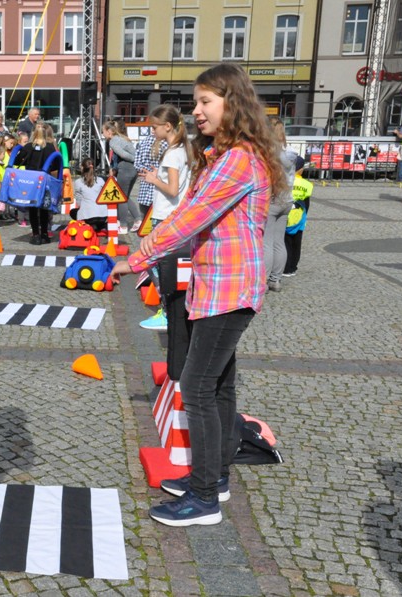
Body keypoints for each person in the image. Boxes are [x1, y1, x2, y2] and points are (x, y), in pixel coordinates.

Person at [111, 63, 285, 526]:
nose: (197, 111)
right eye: (196, 102)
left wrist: (138, 258)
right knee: (219, 384)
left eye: (206, 101)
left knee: (197, 386)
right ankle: (215, 477)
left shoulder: (240, 159)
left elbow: (191, 217)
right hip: (217, 286)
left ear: (233, 102)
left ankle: (204, 497)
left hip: (230, 287)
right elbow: (188, 209)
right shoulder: (221, 155)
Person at [137, 104, 192, 330]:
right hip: (174, 215)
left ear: (167, 126)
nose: (152, 131)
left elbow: (172, 189)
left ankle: (168, 311)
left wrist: (153, 180)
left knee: (153, 261)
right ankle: (172, 310)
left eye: (155, 127)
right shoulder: (182, 149)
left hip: (165, 216)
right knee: (162, 263)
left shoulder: (172, 153)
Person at [264, 118, 298, 293]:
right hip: (287, 199)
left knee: (266, 242)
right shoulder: (290, 152)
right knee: (279, 241)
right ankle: (275, 279)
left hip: (272, 199)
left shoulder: (269, 153)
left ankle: (263, 281)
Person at [14, 123, 58, 244]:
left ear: (33, 133)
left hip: (31, 181)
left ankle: (35, 235)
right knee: (44, 208)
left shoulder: (28, 147)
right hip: (45, 180)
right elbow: (55, 164)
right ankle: (44, 234)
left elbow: (17, 161)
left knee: (33, 208)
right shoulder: (50, 147)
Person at [102, 121, 141, 233]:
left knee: (121, 198)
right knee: (126, 196)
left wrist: (134, 159)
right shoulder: (122, 138)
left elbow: (123, 155)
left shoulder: (113, 141)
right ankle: (138, 219)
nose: (102, 134)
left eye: (103, 131)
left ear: (109, 132)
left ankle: (123, 226)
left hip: (125, 169)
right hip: (132, 169)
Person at [284, 157, 313, 277]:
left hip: (286, 215)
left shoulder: (284, 181)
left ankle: (285, 267)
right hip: (300, 216)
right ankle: (293, 267)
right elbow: (307, 204)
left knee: (285, 242)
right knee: (297, 243)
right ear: (300, 169)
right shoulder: (307, 184)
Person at [71, 158, 108, 231]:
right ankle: (102, 226)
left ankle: (90, 225)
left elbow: (79, 201)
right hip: (103, 215)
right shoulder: (101, 180)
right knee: (98, 217)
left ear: (82, 168)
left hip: (88, 217)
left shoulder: (78, 182)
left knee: (72, 212)